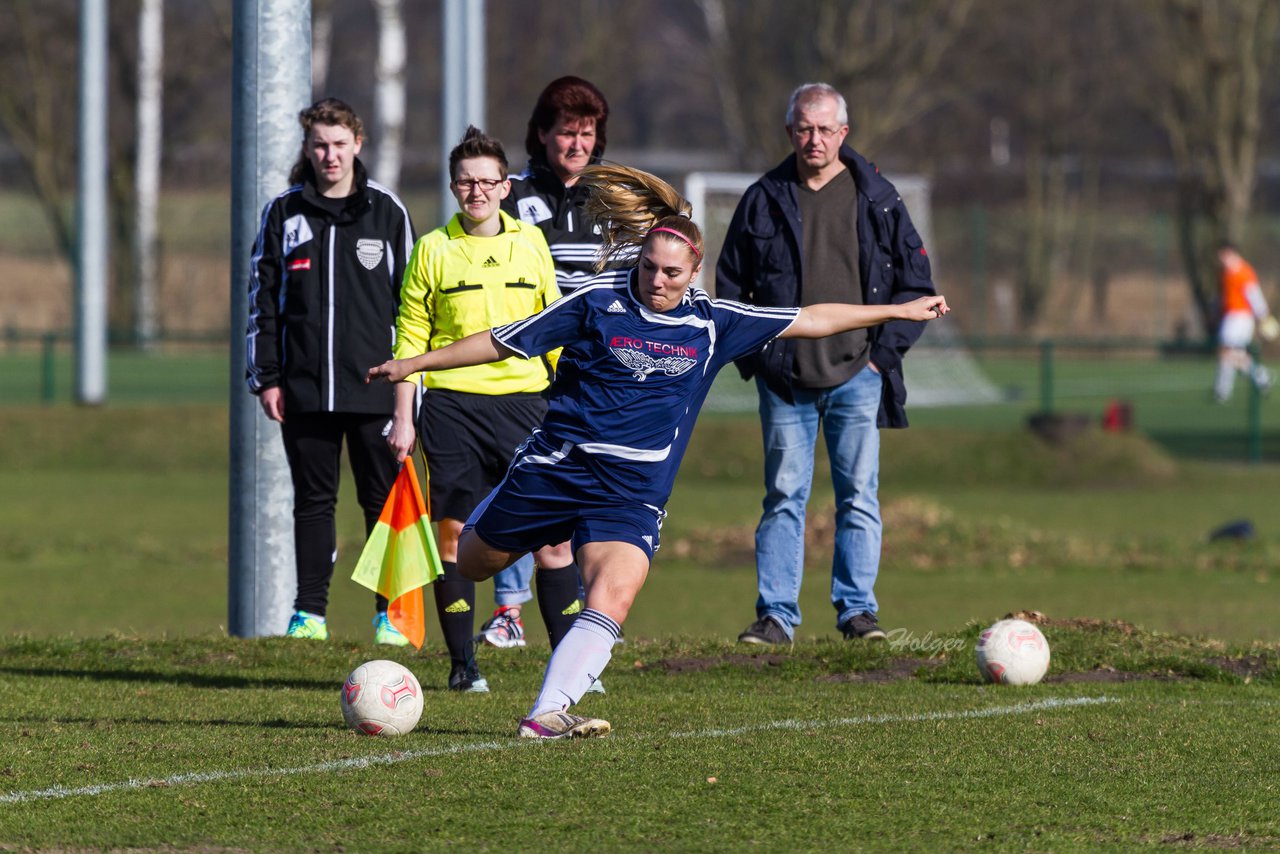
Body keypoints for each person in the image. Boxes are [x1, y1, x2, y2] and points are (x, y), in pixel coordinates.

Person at [367, 163, 949, 739]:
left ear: (695, 271)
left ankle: (547, 713)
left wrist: (896, 310)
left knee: (615, 594)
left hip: (633, 492)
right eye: (649, 266)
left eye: (672, 272)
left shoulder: (715, 321)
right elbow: (500, 342)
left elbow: (813, 317)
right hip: (556, 469)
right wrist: (414, 364)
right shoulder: (596, 302)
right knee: (473, 561)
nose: (657, 280)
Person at [715, 82, 937, 647]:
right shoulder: (763, 197)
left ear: (844, 133)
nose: (813, 139)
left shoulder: (879, 198)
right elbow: (730, 287)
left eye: (824, 129)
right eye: (803, 128)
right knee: (784, 497)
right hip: (785, 381)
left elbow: (915, 288)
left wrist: (879, 362)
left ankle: (858, 614)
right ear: (790, 132)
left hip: (858, 377)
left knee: (858, 497)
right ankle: (776, 617)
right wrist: (759, 359)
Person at [383, 126, 575, 693]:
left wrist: (566, 398)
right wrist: (403, 414)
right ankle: (464, 666)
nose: (477, 192)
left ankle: (572, 669)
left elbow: (554, 323)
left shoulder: (532, 244)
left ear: (505, 186)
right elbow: (411, 337)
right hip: (452, 409)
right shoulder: (432, 249)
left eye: (488, 181)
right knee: (454, 537)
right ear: (452, 187)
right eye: (466, 182)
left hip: (527, 405)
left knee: (553, 540)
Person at [246, 97, 415, 645]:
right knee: (314, 503)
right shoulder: (283, 213)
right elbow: (261, 302)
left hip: (374, 390)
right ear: (307, 148)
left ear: (358, 145)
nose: (330, 155)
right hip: (304, 390)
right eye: (320, 144)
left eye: (339, 144)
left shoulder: (387, 212)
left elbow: (412, 306)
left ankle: (390, 614)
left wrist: (408, 390)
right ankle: (309, 614)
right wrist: (267, 377)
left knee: (380, 505)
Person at [482, 75, 626, 650]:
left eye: (586, 135)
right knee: (520, 482)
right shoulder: (513, 197)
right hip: (529, 368)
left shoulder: (613, 197)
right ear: (542, 134)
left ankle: (593, 620)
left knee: (589, 494)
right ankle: (509, 611)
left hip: (596, 374)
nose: (576, 145)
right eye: (566, 133)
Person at [1214, 242, 1276, 403]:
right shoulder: (1227, 272)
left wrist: (1263, 315)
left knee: (1228, 352)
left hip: (1240, 317)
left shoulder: (1243, 271)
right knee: (1234, 354)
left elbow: (1253, 294)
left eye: (1223, 254)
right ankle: (1261, 377)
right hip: (1232, 316)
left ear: (1231, 253)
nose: (1221, 258)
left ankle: (1224, 390)